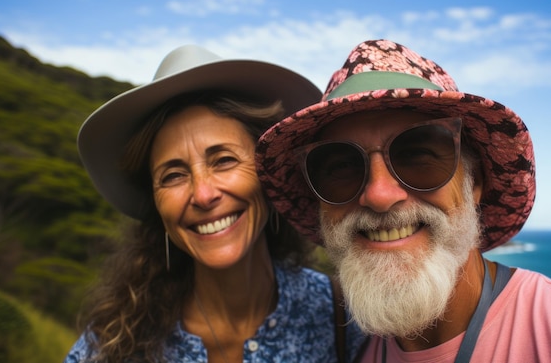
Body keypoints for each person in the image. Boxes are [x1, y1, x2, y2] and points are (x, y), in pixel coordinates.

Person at [255, 39, 551, 362]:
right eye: (341, 168)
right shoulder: (350, 345)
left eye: (418, 157)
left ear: (475, 182)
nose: (380, 195)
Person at [63, 44, 366, 363]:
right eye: (173, 175)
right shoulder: (108, 349)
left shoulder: (345, 320)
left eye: (223, 160)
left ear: (269, 175)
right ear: (156, 204)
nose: (204, 194)